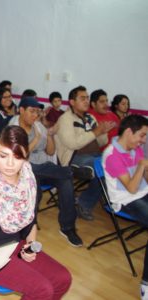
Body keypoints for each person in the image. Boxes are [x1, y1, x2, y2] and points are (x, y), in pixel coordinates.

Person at [0, 125, 72, 299]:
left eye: (18, 157)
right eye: (3, 156)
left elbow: (31, 220)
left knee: (63, 279)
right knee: (42, 289)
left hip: (14, 245)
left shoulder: (29, 181)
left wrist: (30, 246)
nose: (10, 164)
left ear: (26, 155)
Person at [9, 97, 83, 247]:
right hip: (24, 169)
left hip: (45, 168)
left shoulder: (39, 126)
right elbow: (19, 155)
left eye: (37, 112)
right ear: (21, 110)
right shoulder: (13, 127)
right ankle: (28, 225)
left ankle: (68, 228)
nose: (35, 115)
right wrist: (36, 138)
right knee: (40, 175)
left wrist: (48, 135)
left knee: (65, 181)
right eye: (31, 111)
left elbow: (50, 151)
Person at [101, 115, 148, 299]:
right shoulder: (111, 154)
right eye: (142, 136)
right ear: (129, 132)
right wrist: (142, 166)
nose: (143, 141)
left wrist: (145, 169)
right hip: (125, 200)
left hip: (142, 192)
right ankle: (146, 284)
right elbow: (131, 188)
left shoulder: (136, 149)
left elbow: (144, 181)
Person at [54, 86, 115, 220]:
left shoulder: (89, 117)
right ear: (72, 102)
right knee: (104, 169)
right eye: (82, 98)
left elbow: (100, 142)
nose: (86, 101)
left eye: (87, 98)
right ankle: (84, 204)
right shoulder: (65, 119)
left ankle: (114, 199)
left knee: (115, 163)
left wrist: (103, 132)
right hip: (74, 158)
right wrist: (95, 132)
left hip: (94, 155)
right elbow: (73, 144)